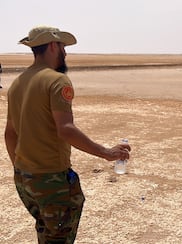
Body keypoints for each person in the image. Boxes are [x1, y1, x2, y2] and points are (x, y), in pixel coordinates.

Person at [4, 26, 131, 243]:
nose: (66, 53)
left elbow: (9, 134)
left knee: (46, 231)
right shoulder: (57, 80)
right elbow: (66, 129)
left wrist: (22, 169)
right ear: (53, 46)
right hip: (52, 180)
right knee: (59, 236)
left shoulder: (17, 83)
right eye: (63, 47)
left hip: (25, 179)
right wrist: (107, 153)